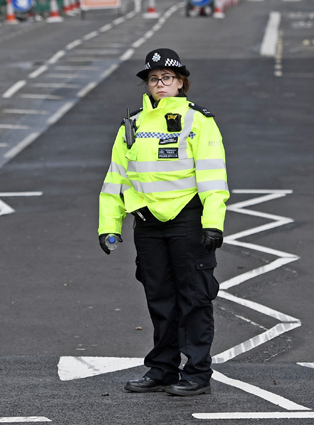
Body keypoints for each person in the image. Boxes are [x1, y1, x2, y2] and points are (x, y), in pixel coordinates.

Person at [97, 48, 229, 396]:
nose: (159, 83)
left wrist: (213, 222)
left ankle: (197, 373)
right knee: (160, 300)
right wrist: (109, 226)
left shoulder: (198, 121)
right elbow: (116, 179)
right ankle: (163, 369)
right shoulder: (133, 125)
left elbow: (213, 177)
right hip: (149, 226)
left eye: (167, 78)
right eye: (153, 78)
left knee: (195, 298)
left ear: (181, 82)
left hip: (188, 221)